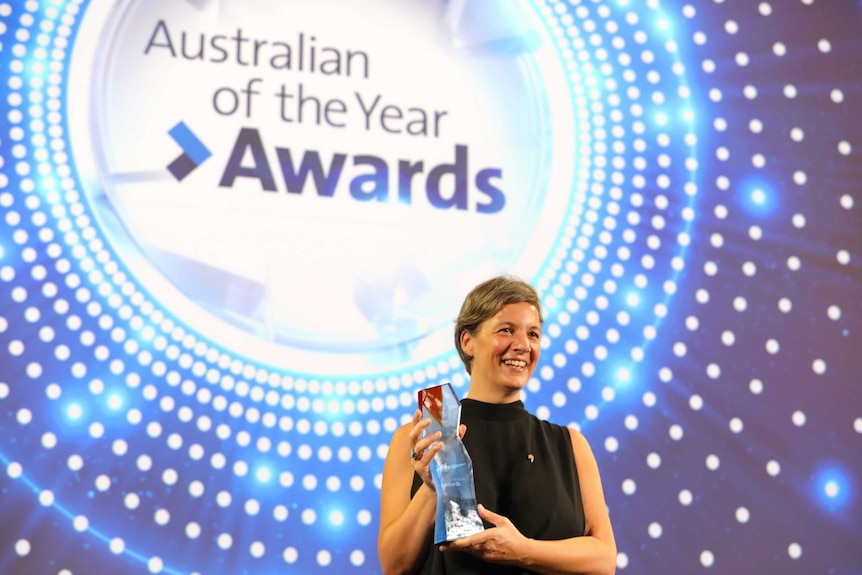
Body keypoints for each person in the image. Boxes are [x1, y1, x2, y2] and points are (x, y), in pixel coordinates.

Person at [378, 276, 616, 575]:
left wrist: (523, 551)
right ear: (468, 342)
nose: (523, 345)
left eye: (534, 334)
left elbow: (604, 560)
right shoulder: (425, 435)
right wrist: (430, 488)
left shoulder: (569, 444)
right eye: (506, 330)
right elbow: (394, 566)